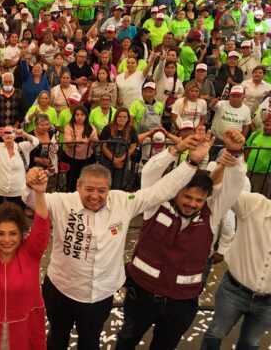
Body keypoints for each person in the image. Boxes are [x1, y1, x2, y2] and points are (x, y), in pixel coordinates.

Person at [22, 132, 213, 350]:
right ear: (78, 186)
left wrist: (191, 161)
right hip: (61, 288)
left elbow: (162, 190)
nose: (95, 196)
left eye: (102, 190)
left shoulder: (124, 202)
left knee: (90, 341)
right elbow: (30, 199)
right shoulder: (62, 202)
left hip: (100, 294)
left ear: (110, 189)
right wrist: (31, 184)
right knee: (57, 337)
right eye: (89, 189)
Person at [116, 129, 247, 349]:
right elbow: (150, 172)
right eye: (187, 196)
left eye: (198, 199)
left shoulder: (212, 214)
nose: (192, 203)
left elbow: (233, 187)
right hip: (142, 295)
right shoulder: (155, 205)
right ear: (175, 191)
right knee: (127, 339)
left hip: (182, 303)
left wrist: (235, 154)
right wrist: (180, 151)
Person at [200, 191, 271, 349]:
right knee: (216, 332)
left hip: (268, 303)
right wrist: (231, 166)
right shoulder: (254, 205)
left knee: (251, 342)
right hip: (234, 291)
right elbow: (222, 189)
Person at [0, 126, 39, 209]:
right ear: (2, 136)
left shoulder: (22, 147)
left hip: (18, 192)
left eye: (11, 132)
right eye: (5, 133)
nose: (8, 135)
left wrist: (24, 134)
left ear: (15, 135)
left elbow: (35, 142)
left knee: (16, 218)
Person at [99, 108, 138, 190]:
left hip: (122, 162)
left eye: (124, 117)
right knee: (104, 184)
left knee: (117, 186)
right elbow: (103, 146)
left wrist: (120, 159)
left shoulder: (132, 130)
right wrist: (114, 159)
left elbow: (132, 147)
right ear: (116, 117)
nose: (121, 119)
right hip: (106, 161)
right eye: (119, 116)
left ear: (128, 119)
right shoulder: (107, 128)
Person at [62, 105, 98, 192]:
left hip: (87, 158)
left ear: (86, 116)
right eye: (77, 114)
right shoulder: (69, 127)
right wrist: (82, 141)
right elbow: (68, 142)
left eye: (82, 115)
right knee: (71, 181)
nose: (79, 117)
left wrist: (93, 140)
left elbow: (95, 141)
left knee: (85, 180)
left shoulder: (91, 127)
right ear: (74, 116)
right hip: (71, 158)